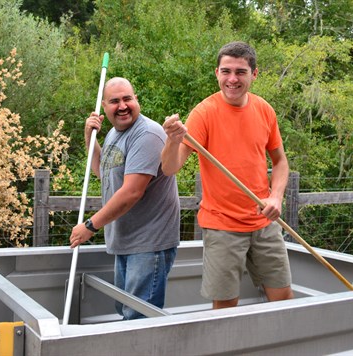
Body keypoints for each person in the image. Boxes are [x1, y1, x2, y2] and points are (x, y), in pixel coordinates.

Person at [161, 41, 294, 309]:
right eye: (226, 71)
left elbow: (280, 162)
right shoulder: (204, 113)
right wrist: (172, 140)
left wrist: (276, 198)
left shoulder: (264, 110)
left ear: (254, 74)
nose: (232, 79)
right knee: (225, 308)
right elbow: (169, 168)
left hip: (264, 222)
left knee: (283, 300)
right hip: (222, 225)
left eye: (241, 72)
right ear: (217, 73)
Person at [69, 77, 180, 320]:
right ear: (103, 107)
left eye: (127, 99)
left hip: (149, 243)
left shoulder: (147, 134)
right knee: (125, 311)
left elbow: (131, 192)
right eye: (114, 101)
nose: (122, 106)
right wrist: (90, 137)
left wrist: (90, 226)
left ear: (136, 100)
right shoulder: (114, 135)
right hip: (126, 240)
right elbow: (103, 172)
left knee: (137, 318)